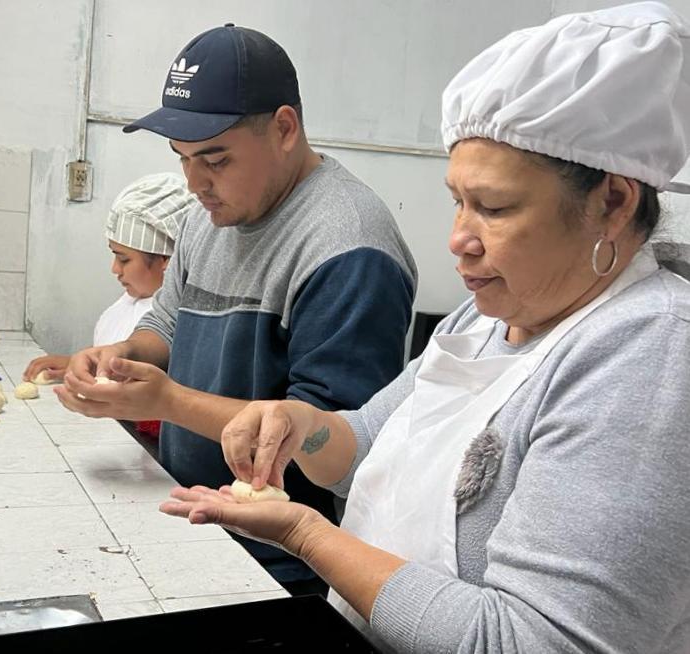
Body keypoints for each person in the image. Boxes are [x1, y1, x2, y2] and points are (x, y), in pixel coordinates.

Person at [159, 3, 690, 651]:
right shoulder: (488, 315)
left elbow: (538, 641)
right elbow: (366, 445)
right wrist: (300, 425)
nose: (457, 240)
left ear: (610, 203)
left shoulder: (648, 355)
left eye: (492, 207)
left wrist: (305, 535)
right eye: (456, 201)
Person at [55, 24, 417, 594]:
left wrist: (166, 401)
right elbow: (169, 317)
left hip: (279, 565)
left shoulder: (349, 247)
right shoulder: (206, 218)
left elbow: (327, 439)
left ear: (284, 128)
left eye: (215, 160)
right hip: (189, 511)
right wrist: (124, 356)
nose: (195, 183)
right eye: (183, 159)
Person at [23, 172, 194, 388]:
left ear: (166, 260)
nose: (115, 269)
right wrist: (79, 365)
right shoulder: (128, 303)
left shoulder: (179, 324)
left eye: (124, 259)